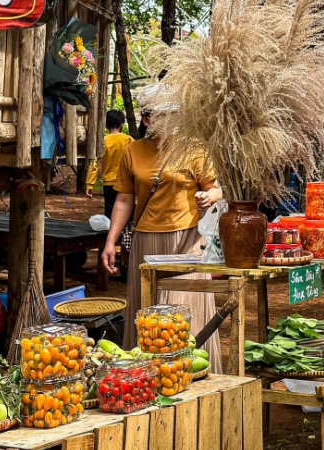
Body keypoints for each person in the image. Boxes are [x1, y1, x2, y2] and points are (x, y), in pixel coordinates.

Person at [101, 85, 224, 373]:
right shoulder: (133, 152)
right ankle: (148, 376)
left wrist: (210, 196)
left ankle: (193, 372)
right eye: (163, 116)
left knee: (181, 308)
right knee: (148, 310)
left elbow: (215, 188)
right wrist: (111, 241)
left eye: (174, 115)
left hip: (189, 240)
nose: (170, 122)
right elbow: (124, 199)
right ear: (147, 119)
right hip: (146, 241)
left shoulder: (194, 149)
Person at [86, 110, 134, 218]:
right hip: (126, 182)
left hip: (109, 183)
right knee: (127, 210)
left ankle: (110, 233)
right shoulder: (129, 140)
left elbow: (95, 164)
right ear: (122, 124)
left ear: (106, 125)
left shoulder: (103, 141)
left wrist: (90, 184)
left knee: (110, 211)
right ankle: (126, 233)